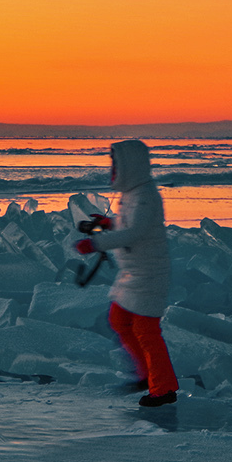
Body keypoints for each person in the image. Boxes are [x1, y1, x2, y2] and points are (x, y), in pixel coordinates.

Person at [74, 138, 179, 407]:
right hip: (132, 273)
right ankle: (146, 374)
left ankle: (163, 388)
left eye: (116, 164)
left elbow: (136, 232)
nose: (112, 170)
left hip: (148, 273)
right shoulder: (133, 194)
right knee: (120, 319)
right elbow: (128, 224)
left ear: (129, 166)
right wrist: (108, 222)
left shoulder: (144, 196)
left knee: (146, 330)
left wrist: (96, 243)